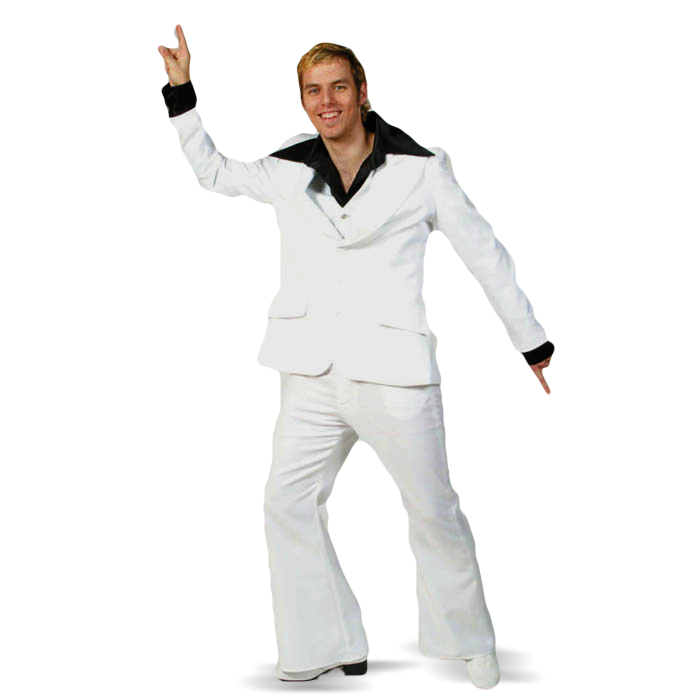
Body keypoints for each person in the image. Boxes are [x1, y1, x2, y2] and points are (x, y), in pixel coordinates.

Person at [158, 25, 554, 687]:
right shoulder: (289, 165)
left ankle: (468, 639)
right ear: (303, 100)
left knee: (433, 511)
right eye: (314, 91)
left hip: (395, 375)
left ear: (362, 91)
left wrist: (530, 340)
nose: (327, 101)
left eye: (338, 87)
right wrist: (181, 92)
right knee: (285, 502)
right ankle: (327, 641)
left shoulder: (421, 168)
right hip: (309, 372)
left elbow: (484, 253)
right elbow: (214, 173)